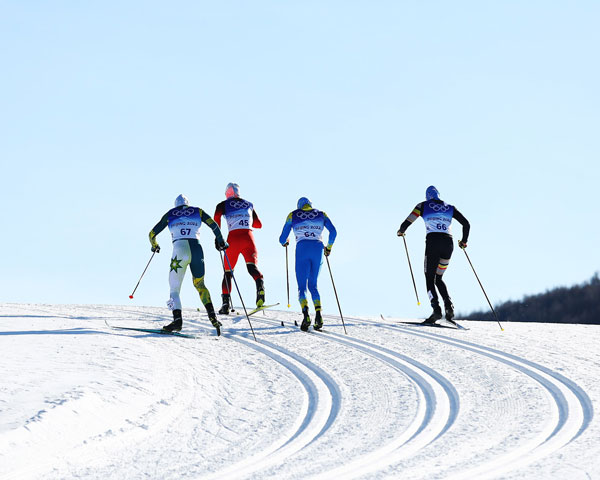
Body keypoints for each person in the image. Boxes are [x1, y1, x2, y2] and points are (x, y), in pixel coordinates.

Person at [149, 194, 228, 334]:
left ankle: (177, 320)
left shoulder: (170, 213)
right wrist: (221, 241)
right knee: (200, 285)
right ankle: (213, 318)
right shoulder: (198, 211)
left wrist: (154, 245)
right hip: (197, 250)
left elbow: (152, 234)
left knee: (174, 289)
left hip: (179, 250)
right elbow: (214, 226)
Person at [397, 186, 470, 324]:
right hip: (448, 244)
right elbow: (466, 223)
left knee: (430, 277)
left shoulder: (422, 206)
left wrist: (401, 231)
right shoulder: (450, 207)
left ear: (427, 197)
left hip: (433, 243)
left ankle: (436, 310)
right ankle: (449, 307)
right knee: (439, 277)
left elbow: (408, 221)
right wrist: (464, 241)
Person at [279, 197, 337, 331]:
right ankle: (318, 315)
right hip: (317, 248)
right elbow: (333, 232)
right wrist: (328, 247)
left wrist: (285, 242)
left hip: (302, 248)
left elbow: (282, 238)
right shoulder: (322, 214)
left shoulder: (293, 215)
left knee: (301, 286)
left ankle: (306, 315)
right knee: (313, 285)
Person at [213, 183, 265, 314]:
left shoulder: (222, 205)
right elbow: (258, 224)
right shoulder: (249, 204)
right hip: (248, 237)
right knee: (252, 268)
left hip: (233, 238)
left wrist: (218, 238)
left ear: (227, 193)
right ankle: (260, 287)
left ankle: (225, 304)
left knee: (228, 273)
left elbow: (216, 219)